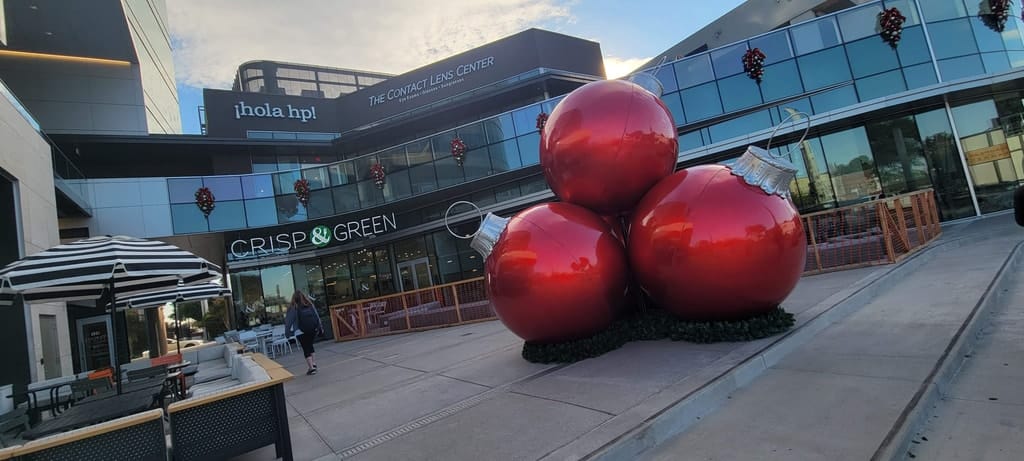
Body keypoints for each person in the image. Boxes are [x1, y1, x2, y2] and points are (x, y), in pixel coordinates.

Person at [285, 290, 323, 375]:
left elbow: (288, 322)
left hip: (300, 331)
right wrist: (320, 327)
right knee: (310, 345)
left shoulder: (293, 307)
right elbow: (317, 316)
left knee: (305, 348)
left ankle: (311, 368)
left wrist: (287, 333)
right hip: (312, 329)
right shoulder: (309, 304)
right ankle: (313, 363)